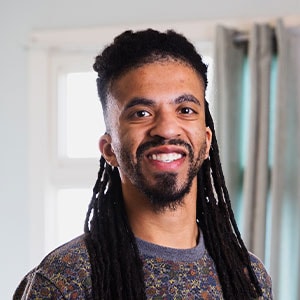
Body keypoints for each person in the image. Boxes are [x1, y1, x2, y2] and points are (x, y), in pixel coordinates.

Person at [14, 29, 272, 300]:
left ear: (206, 142)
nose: (166, 129)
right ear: (109, 149)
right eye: (142, 113)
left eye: (185, 110)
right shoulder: (64, 281)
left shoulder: (248, 277)